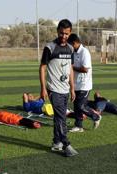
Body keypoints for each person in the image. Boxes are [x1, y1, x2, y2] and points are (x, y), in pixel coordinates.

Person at [40, 19, 78, 157]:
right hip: (53, 89)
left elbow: (70, 69)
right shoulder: (49, 47)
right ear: (57, 31)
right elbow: (42, 67)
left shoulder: (70, 48)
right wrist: (43, 88)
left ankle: (56, 143)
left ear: (70, 33)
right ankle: (66, 144)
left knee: (58, 117)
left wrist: (72, 88)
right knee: (61, 117)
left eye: (67, 34)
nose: (64, 36)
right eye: (61, 33)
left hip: (65, 90)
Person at [68, 33, 101, 132]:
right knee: (76, 106)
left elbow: (85, 69)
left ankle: (96, 117)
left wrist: (72, 67)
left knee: (80, 106)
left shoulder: (84, 52)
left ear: (74, 43)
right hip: (76, 83)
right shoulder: (73, 52)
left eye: (70, 44)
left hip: (84, 84)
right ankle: (78, 126)